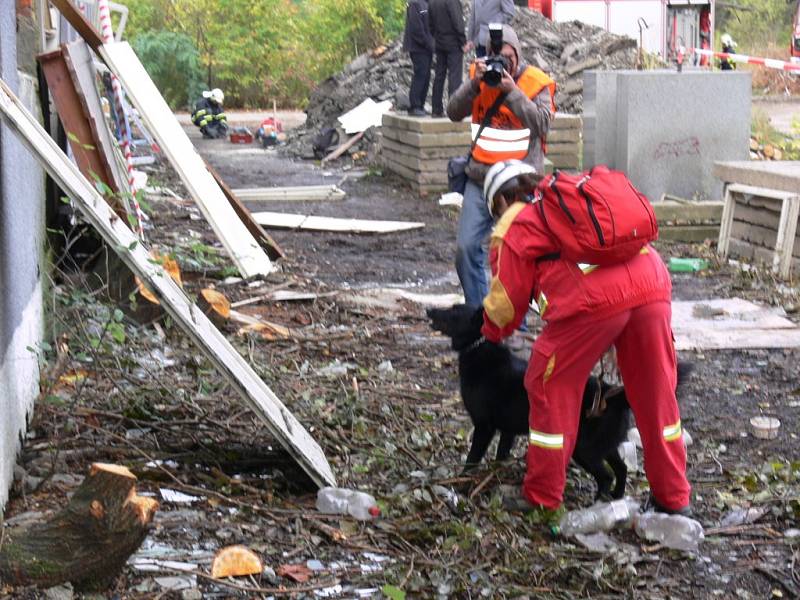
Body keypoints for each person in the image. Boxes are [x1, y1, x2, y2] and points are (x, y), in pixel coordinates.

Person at [479, 159, 692, 524]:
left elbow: (505, 304)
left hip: (593, 303)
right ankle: (673, 498)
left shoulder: (515, 224)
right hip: (652, 285)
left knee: (547, 386)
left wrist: (487, 333)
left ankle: (542, 497)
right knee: (657, 394)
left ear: (500, 200)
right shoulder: (575, 197)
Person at [447, 23, 555, 308]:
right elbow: (452, 112)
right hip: (480, 178)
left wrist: (512, 92)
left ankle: (512, 321)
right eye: (496, 56)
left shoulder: (536, 82)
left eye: (506, 58)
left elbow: (542, 124)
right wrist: (474, 84)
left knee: (515, 255)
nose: (501, 63)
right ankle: (479, 315)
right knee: (466, 249)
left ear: (517, 56)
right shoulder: (478, 75)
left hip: (519, 185)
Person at [429, 0, 466, 118]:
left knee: (439, 76)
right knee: (454, 76)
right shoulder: (452, 1)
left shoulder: (432, 2)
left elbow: (430, 25)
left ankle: (436, 108)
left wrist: (436, 38)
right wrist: (463, 41)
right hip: (453, 43)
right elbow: (458, 23)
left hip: (439, 43)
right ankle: (454, 110)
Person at [403, 0, 435, 116]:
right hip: (417, 47)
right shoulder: (415, 4)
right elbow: (416, 28)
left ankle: (420, 105)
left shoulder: (428, 4)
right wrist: (428, 43)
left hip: (427, 48)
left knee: (426, 75)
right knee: (420, 74)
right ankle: (414, 105)